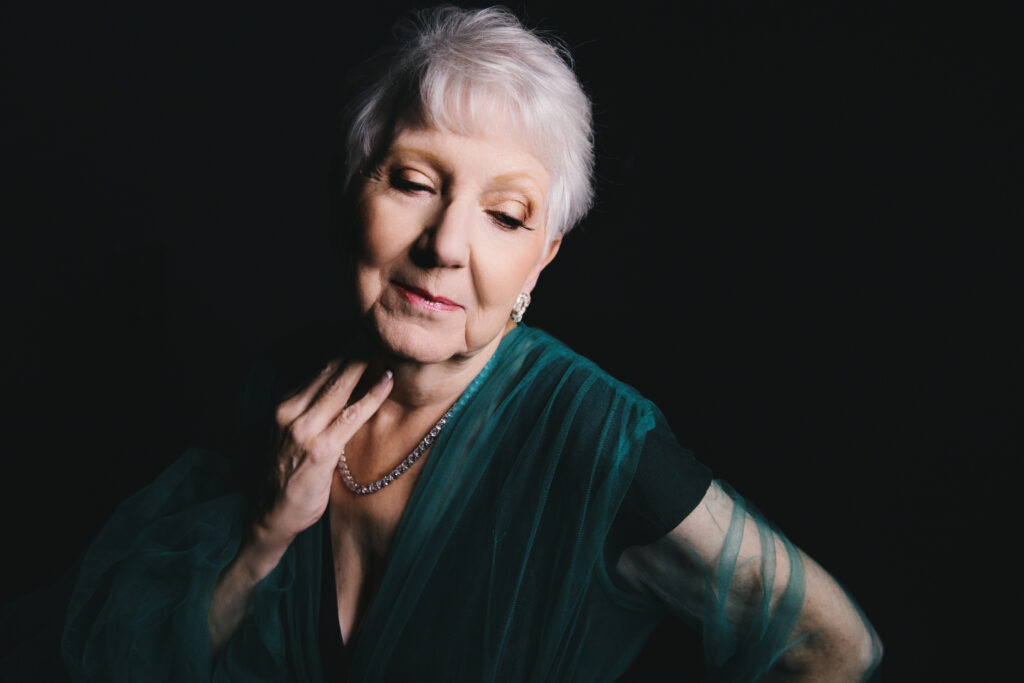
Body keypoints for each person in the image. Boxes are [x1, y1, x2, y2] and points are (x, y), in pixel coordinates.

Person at [2, 6, 882, 681]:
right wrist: (268, 535)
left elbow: (832, 643)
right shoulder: (285, 381)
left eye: (505, 215)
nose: (447, 245)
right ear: (357, 192)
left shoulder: (593, 440)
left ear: (543, 259)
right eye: (416, 182)